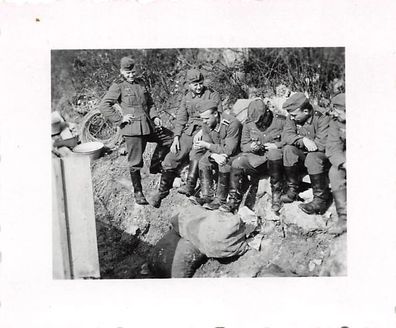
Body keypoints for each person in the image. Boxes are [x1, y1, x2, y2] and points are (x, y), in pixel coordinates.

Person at [99, 56, 173, 205]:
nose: (131, 75)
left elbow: (150, 103)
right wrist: (120, 120)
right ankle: (138, 192)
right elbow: (104, 105)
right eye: (128, 73)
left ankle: (155, 165)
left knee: (169, 138)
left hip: (148, 124)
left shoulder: (141, 83)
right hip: (133, 129)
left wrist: (155, 116)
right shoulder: (118, 85)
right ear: (122, 72)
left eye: (133, 72)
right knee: (135, 162)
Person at [150, 69, 222, 208]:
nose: (199, 87)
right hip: (189, 131)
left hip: (207, 130)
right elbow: (181, 118)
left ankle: (190, 185)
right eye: (195, 84)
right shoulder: (187, 97)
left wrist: (204, 130)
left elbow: (218, 115)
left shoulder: (212, 95)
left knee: (196, 151)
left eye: (200, 83)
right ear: (189, 84)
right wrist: (176, 137)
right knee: (172, 156)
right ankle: (161, 192)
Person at [219, 99, 286, 213]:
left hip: (276, 162)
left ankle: (276, 198)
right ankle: (233, 200)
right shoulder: (249, 123)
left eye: (261, 120)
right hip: (256, 160)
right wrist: (252, 146)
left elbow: (289, 140)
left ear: (267, 113)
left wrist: (276, 145)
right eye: (256, 122)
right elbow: (244, 145)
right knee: (237, 163)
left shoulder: (281, 121)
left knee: (274, 154)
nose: (259, 124)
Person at [281, 92, 332, 215]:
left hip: (324, 158)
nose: (292, 118)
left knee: (313, 157)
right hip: (306, 154)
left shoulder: (322, 117)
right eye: (291, 115)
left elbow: (321, 145)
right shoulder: (292, 116)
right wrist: (302, 139)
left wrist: (304, 142)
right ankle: (293, 190)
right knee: (288, 149)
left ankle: (320, 200)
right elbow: (286, 136)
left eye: (294, 115)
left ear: (305, 111)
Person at [190, 99, 242, 210]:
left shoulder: (232, 123)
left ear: (215, 114)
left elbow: (229, 150)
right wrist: (213, 155)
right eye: (202, 118)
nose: (204, 121)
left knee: (224, 162)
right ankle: (206, 196)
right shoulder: (207, 124)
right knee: (204, 161)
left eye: (207, 118)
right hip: (218, 152)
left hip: (236, 155)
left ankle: (220, 199)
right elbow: (208, 143)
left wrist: (209, 147)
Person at [326, 93, 346, 234]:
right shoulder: (335, 122)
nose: (334, 113)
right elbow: (332, 146)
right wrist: (343, 163)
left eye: (338, 110)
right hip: (346, 156)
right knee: (334, 172)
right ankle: (344, 219)